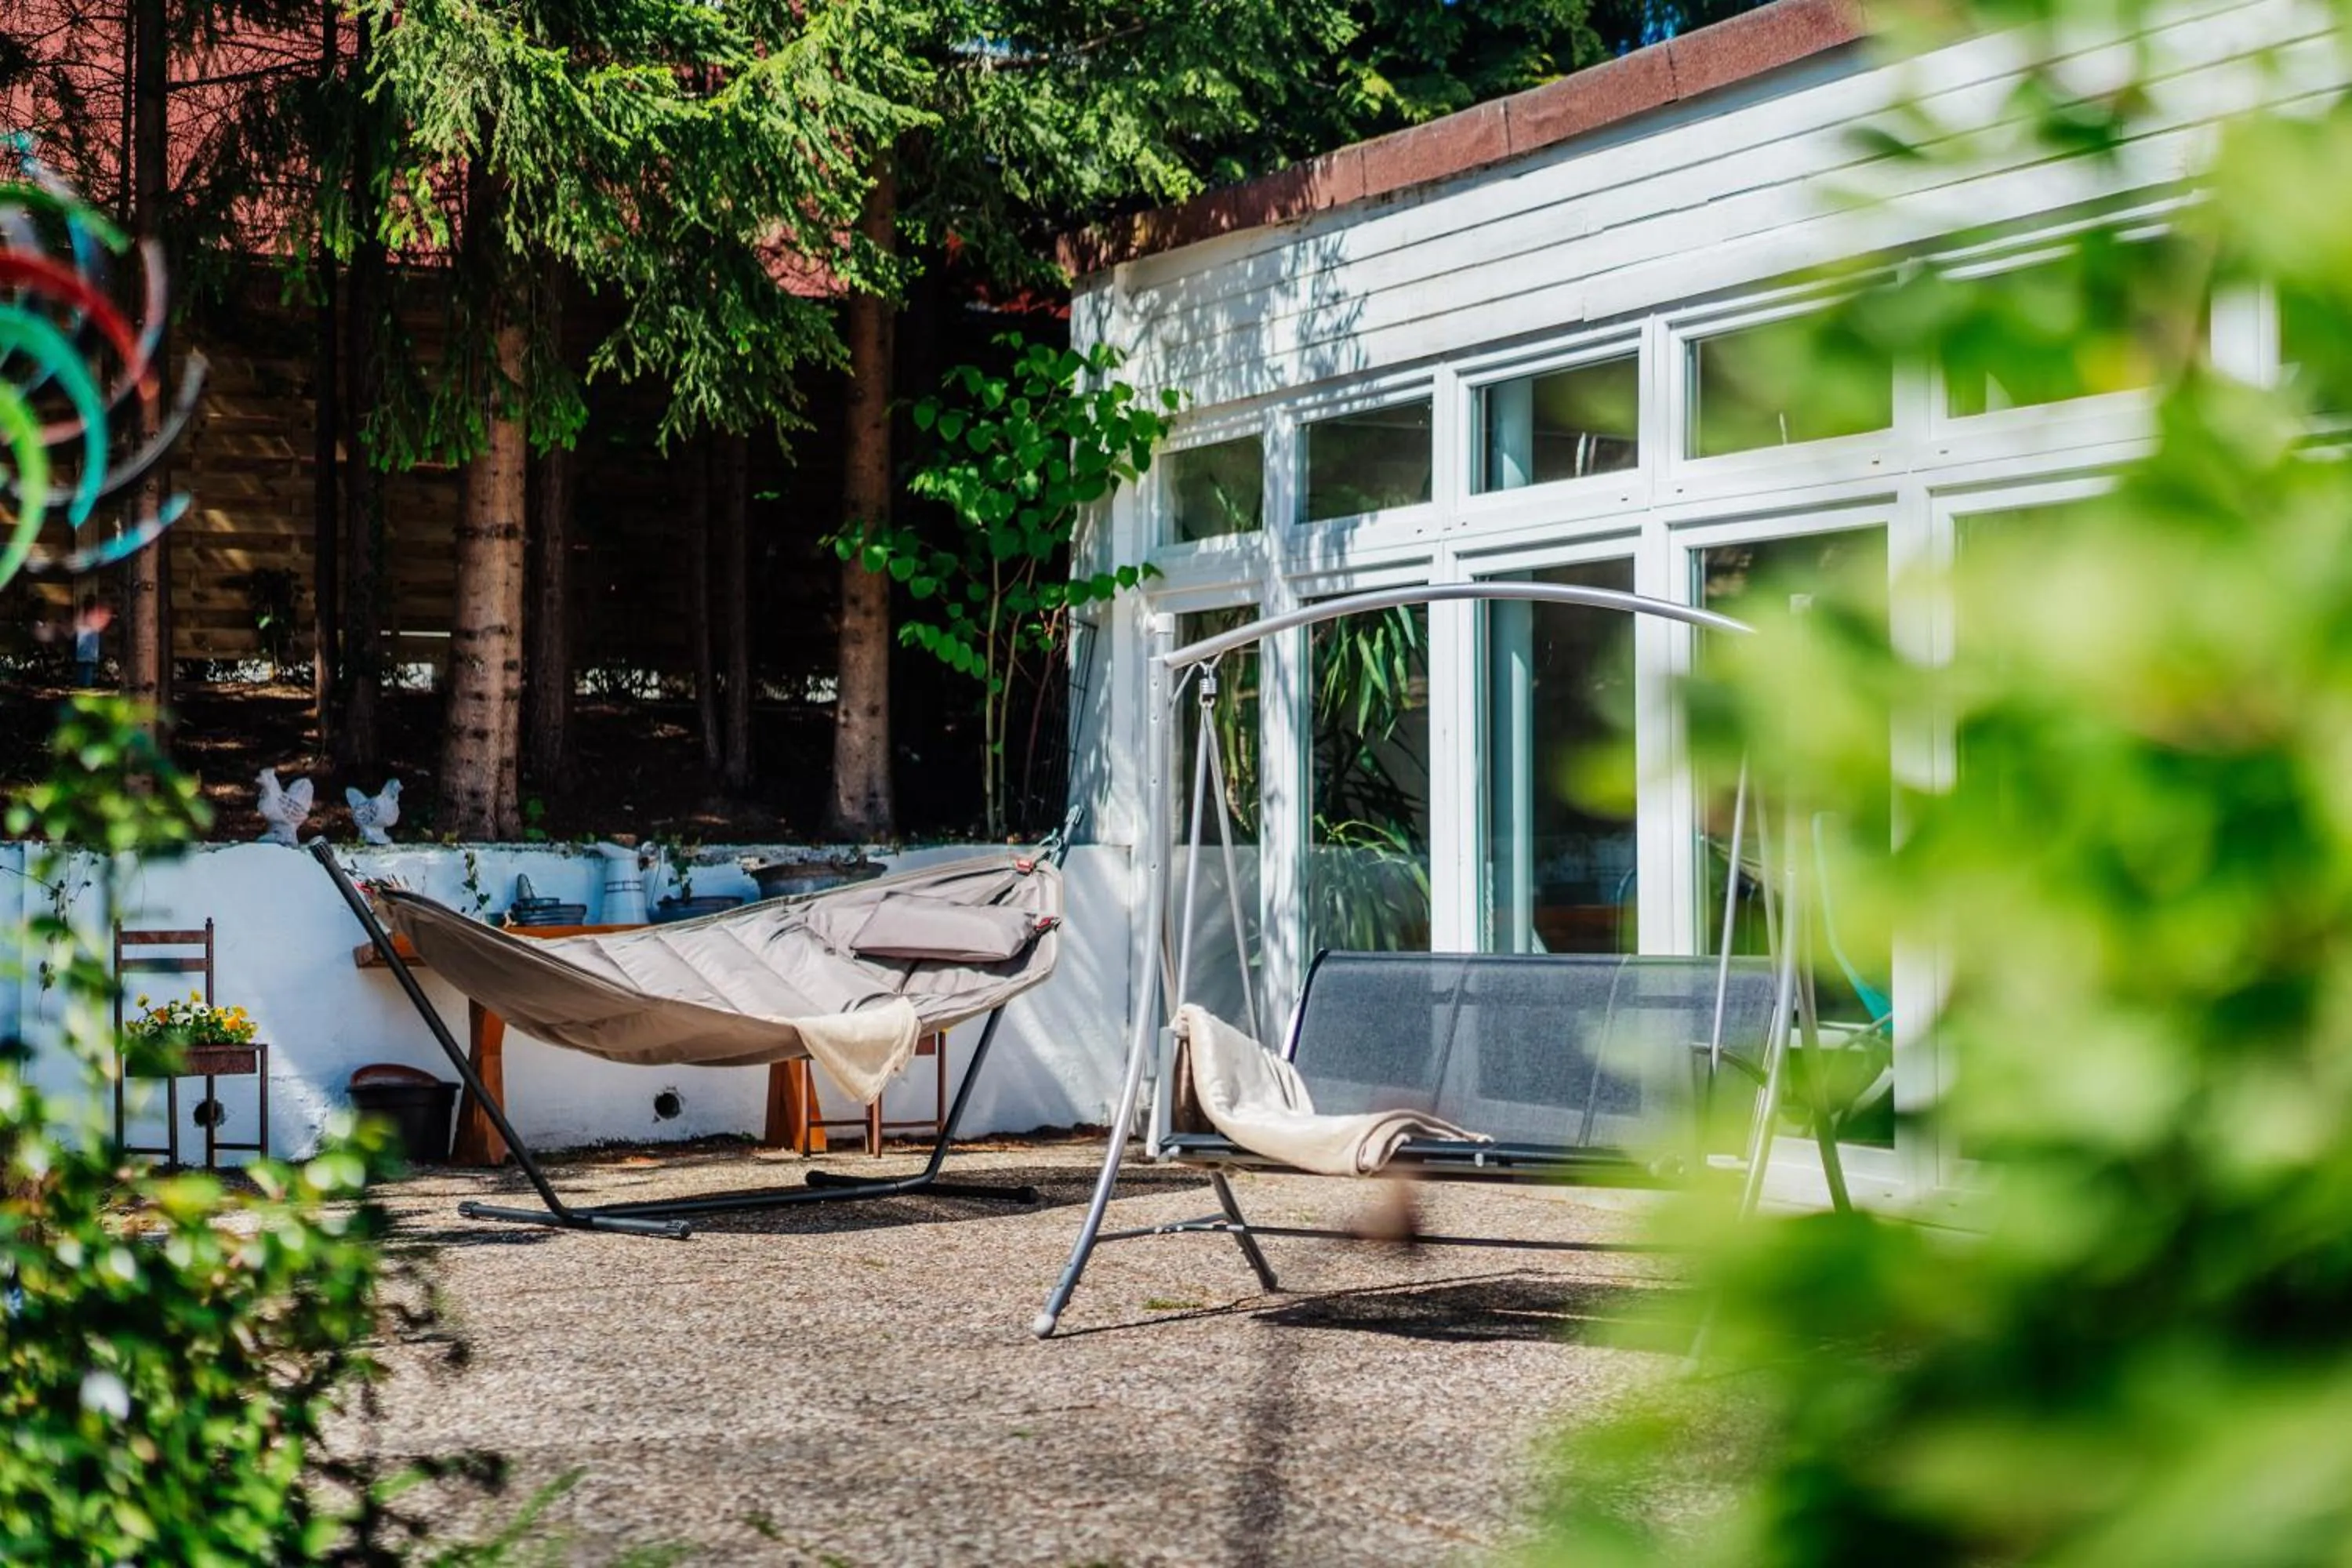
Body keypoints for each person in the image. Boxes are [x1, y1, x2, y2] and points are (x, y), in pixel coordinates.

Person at [72, 593, 109, 689]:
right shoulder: (94, 615)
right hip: (91, 647)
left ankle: (81, 686)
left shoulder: (82, 614)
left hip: (83, 646)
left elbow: (77, 626)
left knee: (82, 669)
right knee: (88, 670)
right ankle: (86, 687)